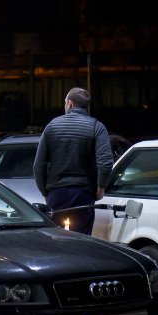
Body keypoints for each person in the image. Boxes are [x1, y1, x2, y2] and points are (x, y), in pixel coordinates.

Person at [33, 88, 113, 235]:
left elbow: (38, 165)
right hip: (83, 193)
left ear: (69, 104)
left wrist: (45, 191)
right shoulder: (97, 127)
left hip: (56, 192)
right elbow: (105, 162)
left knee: (55, 237)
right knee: (81, 239)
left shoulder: (52, 126)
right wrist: (100, 188)